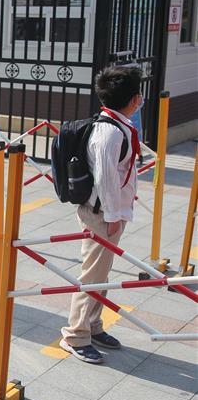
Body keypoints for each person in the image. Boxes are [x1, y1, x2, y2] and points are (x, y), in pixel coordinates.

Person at [60, 66, 141, 364]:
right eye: (139, 94)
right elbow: (106, 179)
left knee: (101, 274)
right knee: (92, 275)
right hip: (101, 215)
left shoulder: (116, 124)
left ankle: (93, 325)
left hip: (108, 212)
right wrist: (113, 215)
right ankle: (75, 335)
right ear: (133, 99)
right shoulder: (109, 132)